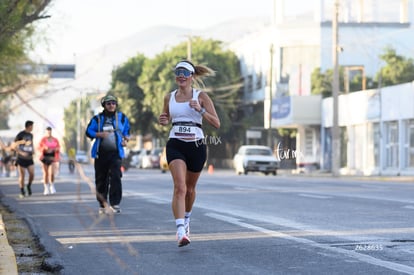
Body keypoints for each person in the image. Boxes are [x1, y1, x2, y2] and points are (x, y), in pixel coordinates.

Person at [158, 60, 220, 247]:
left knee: (190, 189)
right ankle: (180, 231)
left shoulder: (201, 96)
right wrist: (163, 119)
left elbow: (216, 123)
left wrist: (200, 110)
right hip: (176, 143)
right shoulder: (169, 98)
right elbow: (165, 118)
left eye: (185, 73)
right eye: (178, 72)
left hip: (196, 144)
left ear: (192, 76)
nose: (181, 76)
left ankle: (186, 220)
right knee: (180, 187)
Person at [85, 94, 130, 214]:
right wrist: (98, 134)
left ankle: (115, 204)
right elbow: (89, 131)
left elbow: (127, 131)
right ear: (104, 105)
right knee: (101, 179)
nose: (111, 105)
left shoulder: (121, 117)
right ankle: (103, 204)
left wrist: (126, 139)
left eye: (113, 103)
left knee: (116, 176)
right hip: (101, 154)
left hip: (116, 153)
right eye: (109, 103)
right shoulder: (97, 119)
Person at [13, 120, 35, 198]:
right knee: (22, 176)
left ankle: (28, 186)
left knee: (32, 174)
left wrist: (33, 150)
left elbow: (31, 144)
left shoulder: (31, 135)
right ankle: (22, 191)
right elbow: (14, 145)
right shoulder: (20, 134)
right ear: (29, 126)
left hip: (29, 158)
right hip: (21, 158)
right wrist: (21, 152)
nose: (33, 127)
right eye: (32, 126)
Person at [38, 127, 61, 195]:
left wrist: (55, 149)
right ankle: (46, 188)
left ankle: (52, 186)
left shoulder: (55, 139)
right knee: (45, 173)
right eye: (47, 132)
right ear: (46, 132)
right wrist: (44, 148)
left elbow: (58, 147)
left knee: (51, 173)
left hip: (52, 157)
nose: (49, 133)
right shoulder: (43, 139)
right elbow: (39, 147)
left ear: (51, 132)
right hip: (44, 157)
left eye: (50, 132)